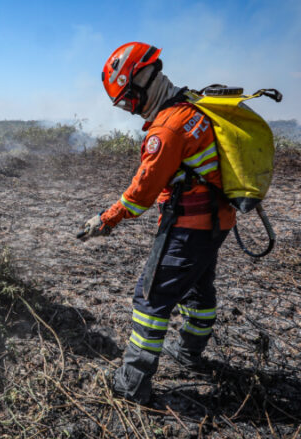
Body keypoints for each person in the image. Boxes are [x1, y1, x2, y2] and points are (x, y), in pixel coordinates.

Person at [78, 42, 236, 405]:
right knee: (198, 289)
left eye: (128, 100)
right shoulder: (193, 106)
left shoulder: (166, 130)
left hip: (189, 224)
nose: (131, 110)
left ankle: (131, 383)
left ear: (143, 81)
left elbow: (140, 194)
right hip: (217, 221)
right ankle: (190, 353)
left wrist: (105, 220)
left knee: (150, 299)